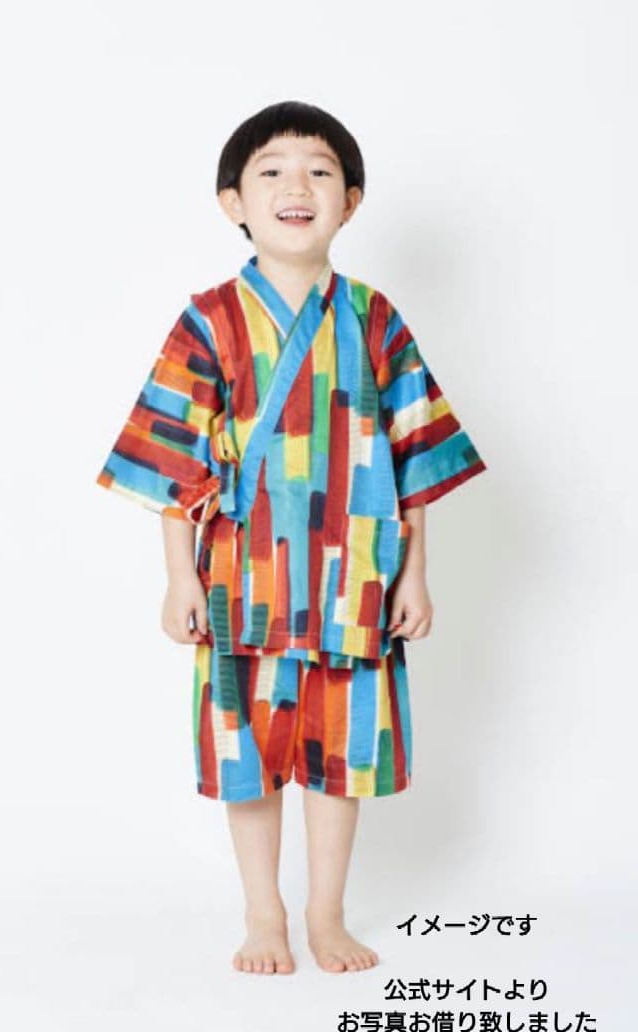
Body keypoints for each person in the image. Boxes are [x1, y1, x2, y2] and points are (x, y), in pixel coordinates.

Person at [95, 101, 487, 976]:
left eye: (319, 170)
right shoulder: (208, 321)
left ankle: (325, 914)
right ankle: (263, 913)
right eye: (271, 170)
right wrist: (179, 579)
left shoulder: (375, 318)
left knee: (343, 750)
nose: (296, 185)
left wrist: (415, 575)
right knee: (248, 751)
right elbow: (176, 462)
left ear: (351, 201)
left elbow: (415, 456)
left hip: (356, 579)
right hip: (243, 579)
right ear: (233, 201)